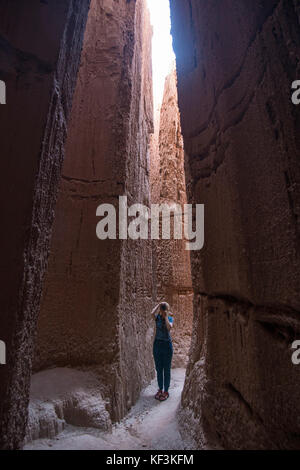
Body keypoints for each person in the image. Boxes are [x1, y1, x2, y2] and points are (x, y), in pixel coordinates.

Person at [151, 301, 174, 401]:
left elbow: (169, 328)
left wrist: (165, 316)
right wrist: (159, 305)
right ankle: (160, 389)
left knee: (167, 369)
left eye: (164, 308)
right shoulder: (157, 318)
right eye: (162, 308)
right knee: (159, 368)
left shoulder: (170, 318)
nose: (163, 310)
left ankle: (166, 391)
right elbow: (152, 313)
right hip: (157, 344)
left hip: (166, 345)